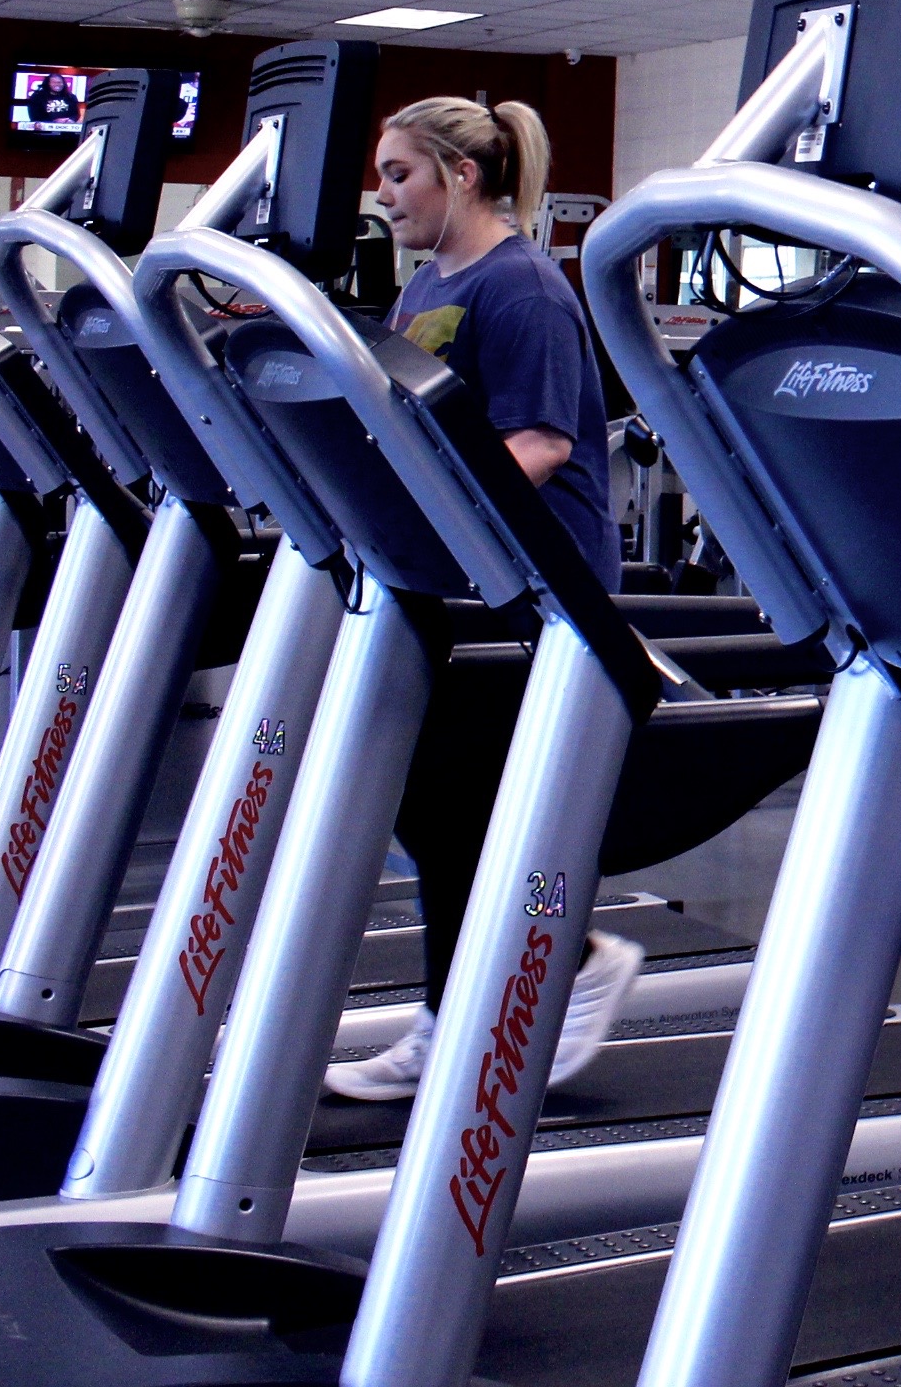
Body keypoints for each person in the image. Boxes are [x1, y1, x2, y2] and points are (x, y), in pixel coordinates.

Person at [325, 95, 644, 1103]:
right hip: (458, 578)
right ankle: (470, 1001)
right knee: (432, 808)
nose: (385, 194)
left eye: (400, 174)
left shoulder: (525, 288)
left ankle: (552, 971)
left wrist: (427, 507)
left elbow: (539, 444)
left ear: (460, 175)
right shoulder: (427, 282)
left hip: (535, 592)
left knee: (456, 807)